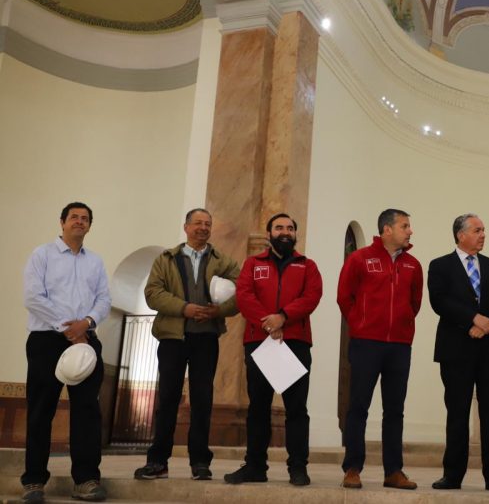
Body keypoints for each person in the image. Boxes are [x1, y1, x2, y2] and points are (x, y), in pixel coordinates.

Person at [134, 209, 240, 482]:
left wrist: (219, 310)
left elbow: (243, 289)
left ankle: (200, 463)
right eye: (198, 223)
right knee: (167, 398)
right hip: (173, 338)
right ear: (186, 227)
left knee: (203, 400)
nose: (203, 228)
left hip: (206, 338)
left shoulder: (222, 260)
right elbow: (152, 293)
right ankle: (157, 461)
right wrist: (185, 308)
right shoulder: (166, 259)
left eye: (208, 224)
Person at [22, 202, 112, 503]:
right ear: (62, 222)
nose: (80, 222)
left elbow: (103, 300)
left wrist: (86, 323)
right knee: (40, 411)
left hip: (86, 340)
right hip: (47, 339)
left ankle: (86, 480)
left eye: (85, 218)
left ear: (89, 226)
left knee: (87, 412)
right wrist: (67, 328)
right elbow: (33, 297)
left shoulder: (95, 262)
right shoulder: (42, 255)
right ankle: (34, 482)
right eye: (74, 217)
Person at [224, 213, 323, 486]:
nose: (285, 232)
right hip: (260, 342)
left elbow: (312, 296)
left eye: (290, 228)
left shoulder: (308, 266)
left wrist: (283, 316)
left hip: (296, 342)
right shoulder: (252, 264)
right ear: (269, 234)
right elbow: (244, 296)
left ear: (295, 234)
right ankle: (255, 466)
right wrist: (269, 323)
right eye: (279, 228)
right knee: (258, 407)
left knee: (296, 409)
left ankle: (298, 468)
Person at [337, 209, 423, 490]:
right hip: (366, 343)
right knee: (358, 406)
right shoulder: (360, 258)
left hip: (399, 346)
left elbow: (415, 303)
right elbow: (344, 297)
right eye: (405, 226)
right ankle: (352, 467)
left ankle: (394, 471)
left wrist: (402, 326)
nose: (410, 231)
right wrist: (361, 325)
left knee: (395, 410)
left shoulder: (413, 265)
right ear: (387, 229)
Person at [427, 213, 489, 492]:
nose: (483, 234)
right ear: (460, 234)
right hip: (456, 350)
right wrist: (473, 319)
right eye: (477, 230)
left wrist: (488, 325)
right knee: (457, 411)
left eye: (484, 230)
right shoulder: (440, 265)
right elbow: (439, 300)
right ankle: (452, 475)